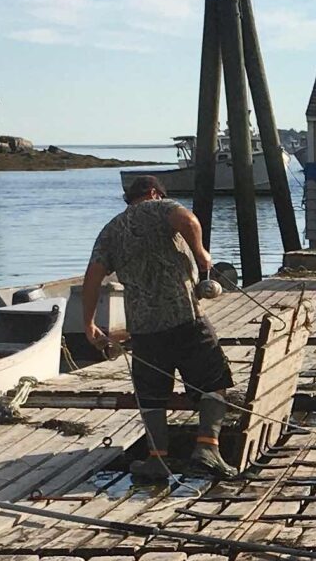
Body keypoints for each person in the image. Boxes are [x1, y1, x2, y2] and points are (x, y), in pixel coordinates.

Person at [80, 178, 235, 486]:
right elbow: (186, 219)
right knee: (214, 380)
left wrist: (89, 323)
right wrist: (201, 252)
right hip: (185, 317)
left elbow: (93, 276)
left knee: (151, 395)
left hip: (144, 328)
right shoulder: (160, 207)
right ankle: (207, 446)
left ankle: (157, 459)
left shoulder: (111, 230)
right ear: (153, 193)